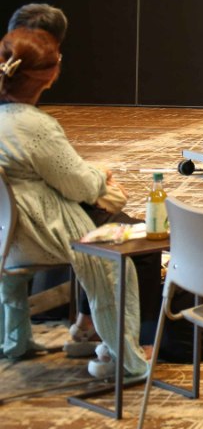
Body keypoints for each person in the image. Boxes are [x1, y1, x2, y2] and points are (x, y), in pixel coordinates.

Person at [0, 27, 148, 376]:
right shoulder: (36, 126)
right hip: (35, 233)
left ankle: (16, 339)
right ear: (51, 74)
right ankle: (121, 355)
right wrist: (101, 174)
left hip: (4, 234)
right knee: (122, 251)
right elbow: (79, 185)